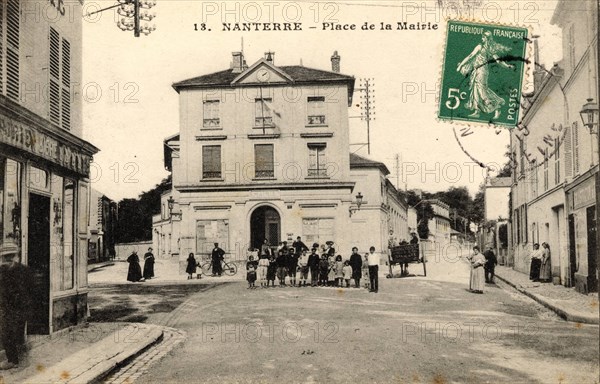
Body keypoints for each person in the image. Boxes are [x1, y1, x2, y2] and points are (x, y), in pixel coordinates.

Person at [456, 30, 515, 120]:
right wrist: (507, 66)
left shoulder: (480, 47)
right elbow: (499, 61)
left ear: (486, 38)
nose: (482, 38)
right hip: (478, 70)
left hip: (481, 71)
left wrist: (460, 65)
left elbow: (470, 56)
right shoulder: (490, 49)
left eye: (483, 37)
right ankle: (477, 111)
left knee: (482, 90)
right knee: (476, 89)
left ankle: (497, 107)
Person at [0, 244, 33, 370]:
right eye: (5, 257)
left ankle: (13, 361)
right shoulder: (4, 270)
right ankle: (16, 359)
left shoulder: (19, 270)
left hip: (16, 308)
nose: (7, 259)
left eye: (9, 256)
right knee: (11, 333)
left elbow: (31, 289)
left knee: (8, 333)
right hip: (10, 307)